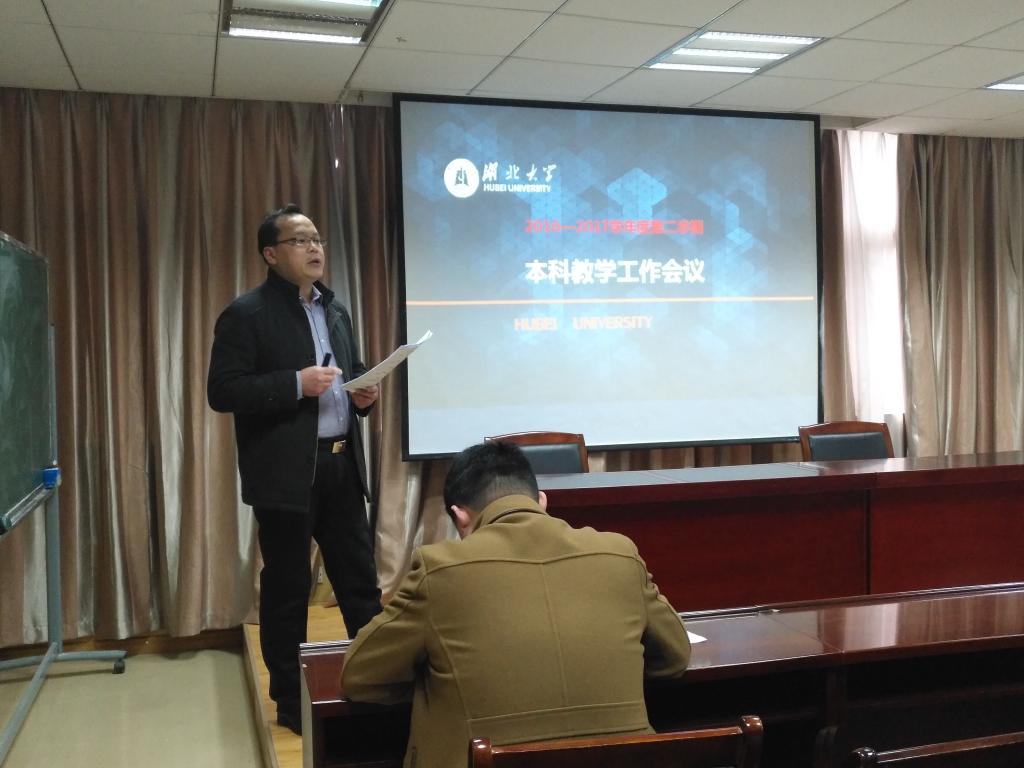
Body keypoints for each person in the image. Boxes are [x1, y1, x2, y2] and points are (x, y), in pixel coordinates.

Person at [341, 441, 691, 768]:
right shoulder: (619, 552)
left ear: (460, 516)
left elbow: (360, 675)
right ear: (541, 500)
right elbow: (675, 656)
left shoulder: (439, 568)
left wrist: (438, 683)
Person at [208, 204, 382, 735]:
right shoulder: (247, 314)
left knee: (360, 584)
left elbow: (348, 376)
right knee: (287, 592)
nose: (314, 248)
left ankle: (380, 683)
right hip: (286, 477)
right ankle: (290, 700)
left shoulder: (336, 309)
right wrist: (292, 384)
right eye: (300, 240)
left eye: (317, 239)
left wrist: (363, 396)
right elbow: (223, 391)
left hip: (341, 466)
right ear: (271, 254)